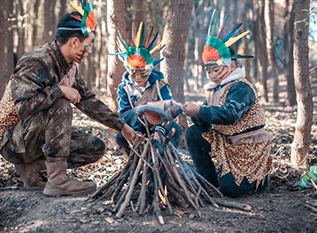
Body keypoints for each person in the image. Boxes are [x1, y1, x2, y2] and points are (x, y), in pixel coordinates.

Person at [0, 1, 136, 197]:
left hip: (32, 136)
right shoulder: (35, 62)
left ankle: (34, 170)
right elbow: (23, 108)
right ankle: (57, 181)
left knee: (94, 147)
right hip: (11, 141)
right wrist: (59, 91)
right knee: (60, 105)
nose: (90, 51)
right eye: (88, 46)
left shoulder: (69, 67)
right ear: (74, 42)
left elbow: (88, 101)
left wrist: (121, 126)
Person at [183, 11, 272, 198]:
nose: (213, 75)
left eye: (216, 70)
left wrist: (200, 110)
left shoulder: (241, 87)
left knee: (231, 190)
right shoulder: (214, 90)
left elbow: (230, 114)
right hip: (226, 142)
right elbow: (207, 124)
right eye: (209, 72)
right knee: (193, 133)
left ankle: (259, 180)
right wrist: (195, 114)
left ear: (231, 66)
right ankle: (208, 181)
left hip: (248, 148)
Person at [112, 22, 182, 154]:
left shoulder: (159, 84)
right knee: (121, 137)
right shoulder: (124, 88)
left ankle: (168, 159)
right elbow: (125, 112)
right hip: (137, 127)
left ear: (149, 70)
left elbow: (168, 107)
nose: (138, 78)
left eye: (142, 74)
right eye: (134, 74)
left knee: (175, 129)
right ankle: (135, 159)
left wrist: (159, 130)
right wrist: (136, 132)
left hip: (159, 125)